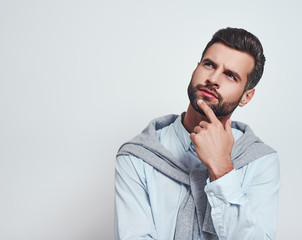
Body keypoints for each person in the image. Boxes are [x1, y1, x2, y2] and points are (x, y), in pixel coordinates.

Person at [115, 27, 280, 240]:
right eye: (209, 65)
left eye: (230, 75)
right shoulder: (137, 157)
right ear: (195, 70)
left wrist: (222, 168)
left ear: (246, 96)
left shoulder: (261, 161)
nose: (213, 79)